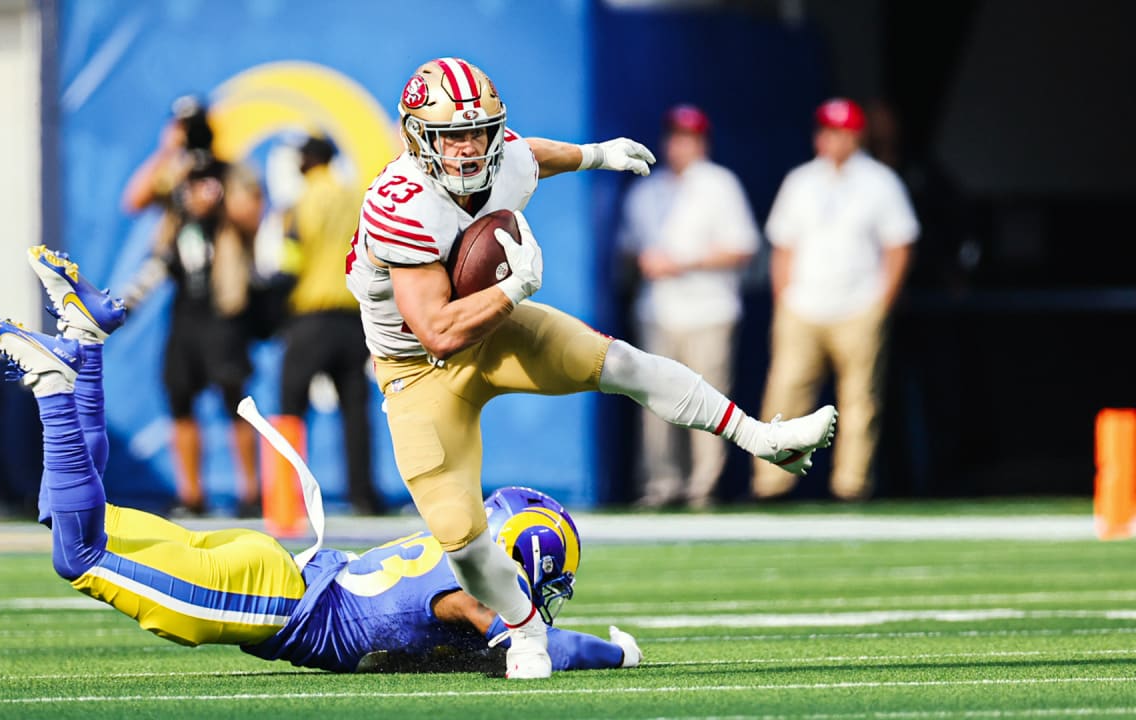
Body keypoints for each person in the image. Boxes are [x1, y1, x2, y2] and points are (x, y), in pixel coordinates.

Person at [345, 57, 838, 679]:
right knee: (462, 541)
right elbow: (437, 331)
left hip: (492, 332)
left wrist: (597, 154)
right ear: (419, 136)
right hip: (417, 368)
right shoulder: (401, 204)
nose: (469, 149)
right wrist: (514, 289)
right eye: (452, 136)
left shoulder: (507, 158)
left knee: (619, 361)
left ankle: (759, 436)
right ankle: (525, 633)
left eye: (480, 131)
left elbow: (532, 155)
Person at [0, 255, 642, 673]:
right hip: (273, 601)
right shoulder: (477, 596)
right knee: (77, 552)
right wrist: (620, 652)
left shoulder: (460, 548)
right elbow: (540, 644)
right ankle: (57, 384)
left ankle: (85, 343)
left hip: (279, 573)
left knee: (78, 523)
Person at [752, 98, 919, 502]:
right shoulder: (801, 180)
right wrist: (784, 299)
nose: (830, 139)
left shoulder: (880, 181)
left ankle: (852, 486)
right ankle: (772, 485)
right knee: (784, 394)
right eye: (825, 130)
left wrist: (881, 303)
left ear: (855, 136)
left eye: (840, 132)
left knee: (860, 401)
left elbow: (899, 244)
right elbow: (783, 245)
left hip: (858, 306)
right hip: (803, 306)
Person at [120, 97, 265, 519]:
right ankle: (192, 493)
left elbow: (252, 216)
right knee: (180, 398)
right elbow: (134, 199)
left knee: (235, 398)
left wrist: (214, 201)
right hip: (184, 303)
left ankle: (250, 492)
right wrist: (168, 152)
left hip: (224, 303)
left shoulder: (232, 171)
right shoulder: (176, 173)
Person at [617, 104, 761, 510]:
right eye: (674, 136)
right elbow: (627, 250)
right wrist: (643, 262)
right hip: (657, 311)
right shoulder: (647, 190)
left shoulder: (720, 185)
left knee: (707, 400)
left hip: (709, 311)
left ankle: (703, 486)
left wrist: (683, 263)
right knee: (655, 402)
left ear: (701, 142)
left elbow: (742, 248)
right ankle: (660, 485)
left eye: (687, 137)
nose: (678, 145)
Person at [276, 136, 381, 515]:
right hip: (352, 318)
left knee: (290, 408)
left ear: (307, 160)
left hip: (311, 316)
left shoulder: (303, 200)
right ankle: (364, 496)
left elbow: (291, 259)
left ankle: (286, 501)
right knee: (355, 412)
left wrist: (271, 304)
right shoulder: (355, 197)